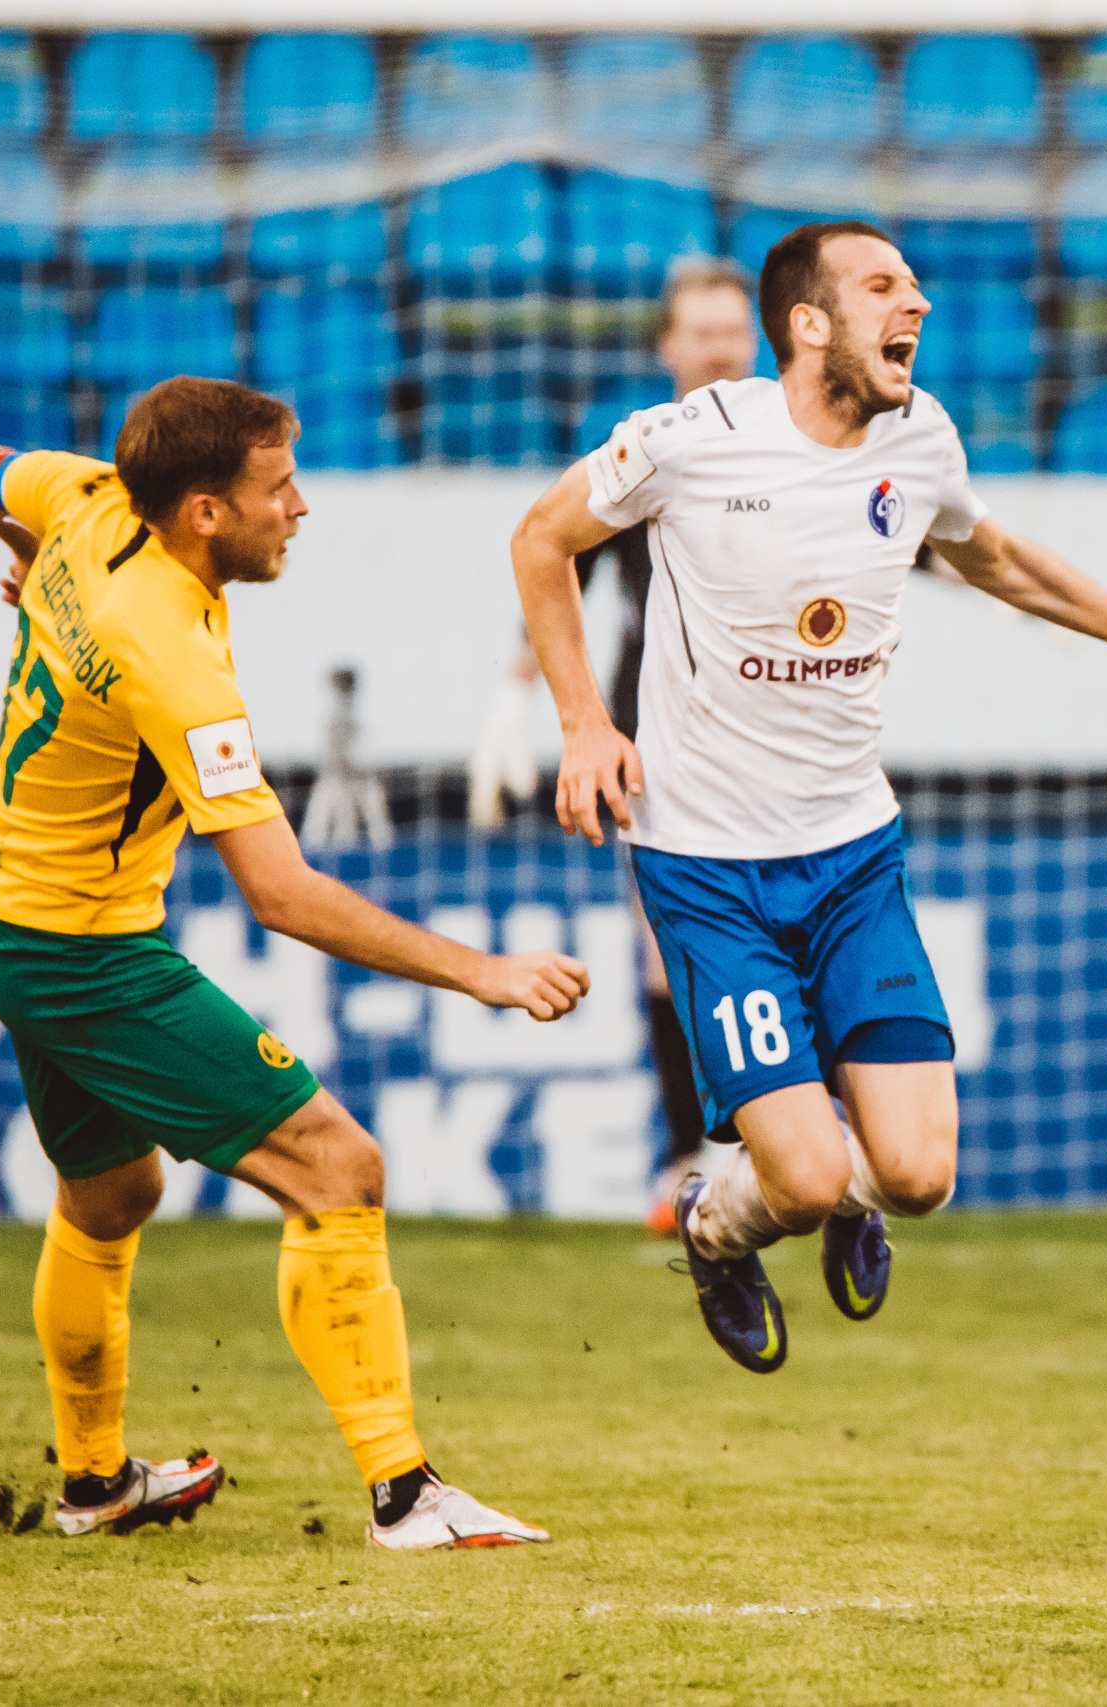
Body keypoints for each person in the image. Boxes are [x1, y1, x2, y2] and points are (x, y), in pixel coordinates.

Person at [507, 222, 1107, 1374]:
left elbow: (997, 558)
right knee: (807, 1173)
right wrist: (583, 723)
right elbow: (540, 540)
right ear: (808, 324)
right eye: (883, 286)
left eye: (916, 286)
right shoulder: (690, 440)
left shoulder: (918, 439)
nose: (914, 304)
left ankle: (823, 1200)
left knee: (918, 1177)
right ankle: (714, 1230)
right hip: (707, 866)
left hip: (851, 854)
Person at [0, 377, 585, 1546]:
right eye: (278, 487)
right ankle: (404, 1494)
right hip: (84, 950)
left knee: (114, 1191)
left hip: (8, 917)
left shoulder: (79, 496)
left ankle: (92, 1484)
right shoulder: (166, 649)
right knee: (338, 1165)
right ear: (205, 514)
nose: (303, 506)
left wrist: (32, 559)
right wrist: (480, 971)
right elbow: (283, 895)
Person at [470, 258, 758, 1233]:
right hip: (659, 739)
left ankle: (804, 1141)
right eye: (703, 331)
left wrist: (998, 587)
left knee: (793, 934)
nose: (720, 346)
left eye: (733, 328)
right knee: (665, 952)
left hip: (779, 734)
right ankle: (695, 1155)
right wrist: (516, 713)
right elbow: (561, 567)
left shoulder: (792, 442)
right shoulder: (645, 453)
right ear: (669, 346)